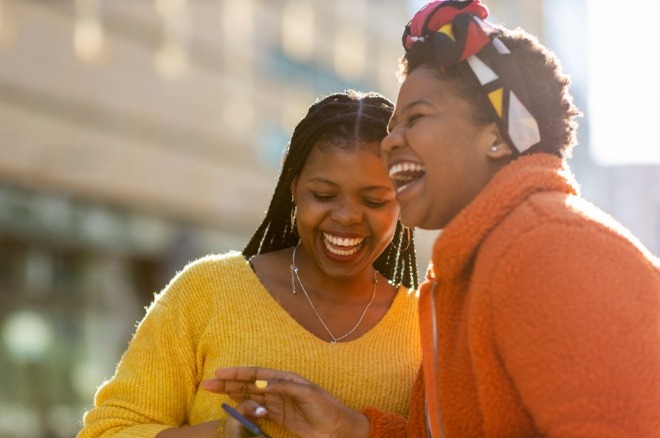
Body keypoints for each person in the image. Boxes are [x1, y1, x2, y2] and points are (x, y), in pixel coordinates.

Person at [203, 1, 660, 437]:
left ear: (501, 135)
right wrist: (351, 429)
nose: (390, 140)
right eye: (392, 124)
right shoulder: (465, 275)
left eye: (417, 118)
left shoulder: (555, 249)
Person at [77, 90, 421, 438]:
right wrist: (218, 435)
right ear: (294, 188)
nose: (347, 216)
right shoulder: (207, 291)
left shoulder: (427, 327)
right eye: (324, 195)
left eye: (375, 200)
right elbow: (108, 431)